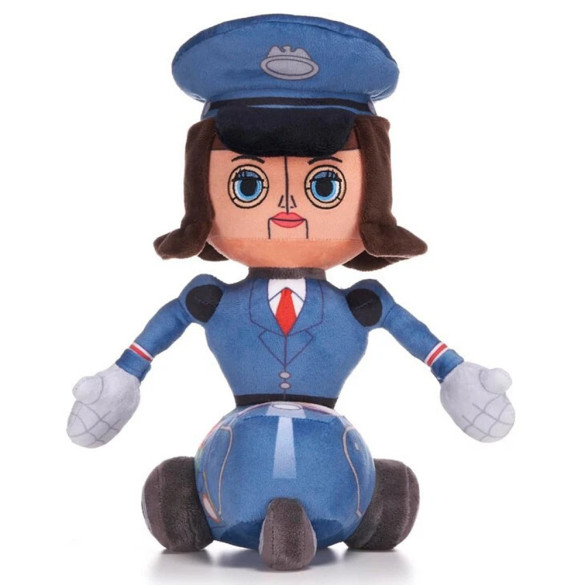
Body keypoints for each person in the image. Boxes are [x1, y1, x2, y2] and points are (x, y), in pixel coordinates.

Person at [66, 15, 515, 571]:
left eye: (325, 184)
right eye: (247, 183)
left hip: (331, 435)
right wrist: (120, 379)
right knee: (203, 478)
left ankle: (371, 500)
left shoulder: (363, 304)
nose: (286, 206)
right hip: (238, 437)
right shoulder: (210, 299)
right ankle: (192, 498)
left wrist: (458, 374)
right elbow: (152, 342)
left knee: (363, 480)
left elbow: (425, 346)